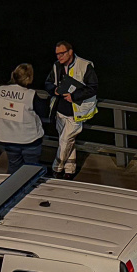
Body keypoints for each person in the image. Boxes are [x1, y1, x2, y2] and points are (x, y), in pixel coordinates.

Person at [44, 41, 98, 180]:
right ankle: (70, 170)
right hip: (60, 110)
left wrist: (74, 96)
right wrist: (53, 89)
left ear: (70, 52)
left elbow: (93, 87)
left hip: (77, 111)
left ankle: (56, 168)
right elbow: (48, 82)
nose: (59, 57)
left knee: (65, 140)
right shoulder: (57, 66)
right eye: (57, 54)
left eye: (61, 53)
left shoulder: (85, 65)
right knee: (68, 141)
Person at [0, 64, 48, 174]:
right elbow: (44, 111)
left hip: (8, 139)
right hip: (30, 140)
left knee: (14, 167)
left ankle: (13, 188)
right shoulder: (30, 95)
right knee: (31, 171)